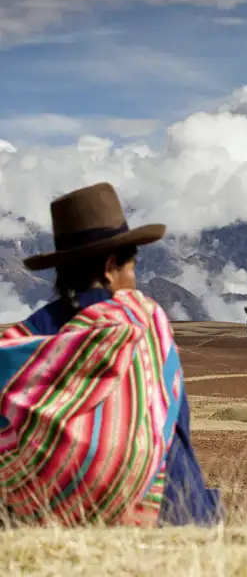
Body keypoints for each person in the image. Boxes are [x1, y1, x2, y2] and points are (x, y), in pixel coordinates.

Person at [0, 182, 222, 527]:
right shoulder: (144, 326)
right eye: (130, 267)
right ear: (109, 268)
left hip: (36, 522)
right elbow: (177, 437)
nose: (133, 280)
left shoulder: (24, 342)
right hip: (170, 518)